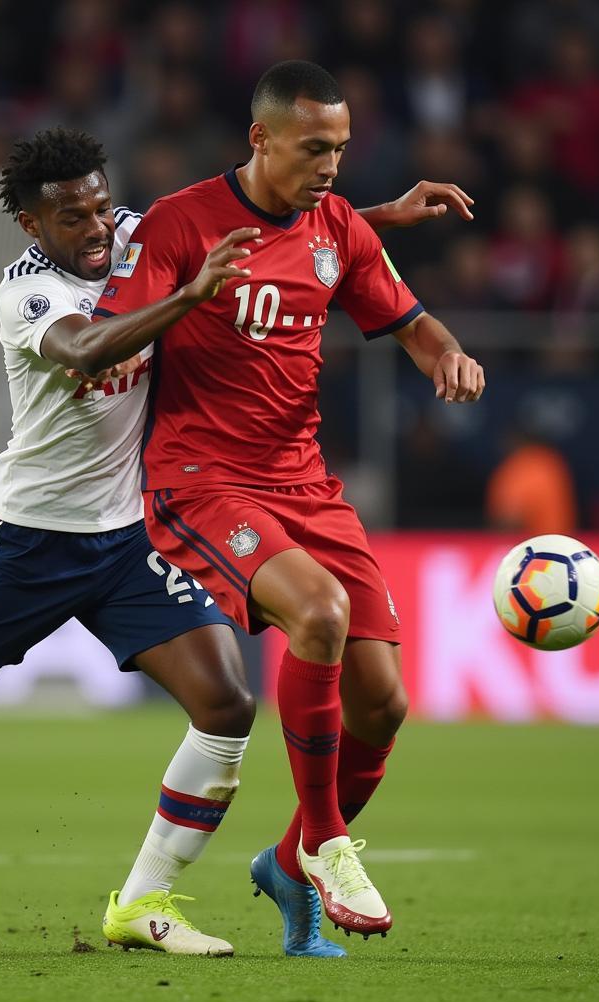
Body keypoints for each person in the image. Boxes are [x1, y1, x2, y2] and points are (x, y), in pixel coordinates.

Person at [0, 124, 475, 958]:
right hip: (30, 541)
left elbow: (256, 236)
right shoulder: (26, 293)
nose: (96, 230)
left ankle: (142, 902)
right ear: (33, 227)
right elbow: (85, 351)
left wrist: (373, 221)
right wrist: (188, 297)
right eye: (71, 218)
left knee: (225, 705)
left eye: (103, 208)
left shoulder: (136, 240)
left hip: (126, 539)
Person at [80, 62, 485, 939]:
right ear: (260, 139)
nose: (332, 165)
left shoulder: (336, 225)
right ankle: (328, 844)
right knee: (322, 614)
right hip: (202, 478)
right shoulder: (181, 223)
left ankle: (286, 854)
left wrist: (445, 353)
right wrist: (117, 351)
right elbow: (124, 318)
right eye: (314, 148)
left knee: (385, 702)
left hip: (305, 482)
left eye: (340, 148)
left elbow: (412, 322)